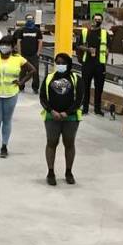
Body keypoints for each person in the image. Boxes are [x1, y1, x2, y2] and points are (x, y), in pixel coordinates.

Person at [0, 34, 35, 157]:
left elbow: (32, 70)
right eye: (2, 44)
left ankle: (4, 145)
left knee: (7, 120)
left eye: (7, 45)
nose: (4, 47)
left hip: (11, 93)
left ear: (12, 47)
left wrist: (22, 82)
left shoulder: (18, 59)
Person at [40, 52, 83, 186]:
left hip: (70, 118)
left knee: (69, 143)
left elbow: (80, 99)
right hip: (51, 117)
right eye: (57, 62)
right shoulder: (49, 78)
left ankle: (69, 172)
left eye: (63, 63)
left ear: (69, 64)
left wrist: (67, 112)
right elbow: (42, 97)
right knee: (51, 143)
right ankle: (51, 172)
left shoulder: (76, 78)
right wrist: (51, 111)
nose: (60, 65)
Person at [77, 15, 110, 115]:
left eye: (99, 20)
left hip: (100, 65)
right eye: (95, 19)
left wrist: (105, 63)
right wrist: (88, 49)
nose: (97, 21)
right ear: (92, 20)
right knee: (85, 87)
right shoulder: (85, 32)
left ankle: (97, 109)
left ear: (102, 21)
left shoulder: (105, 33)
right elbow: (78, 46)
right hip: (87, 64)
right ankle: (85, 108)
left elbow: (108, 49)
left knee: (99, 88)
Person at [17, 13, 43, 93]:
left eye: (31, 18)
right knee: (22, 72)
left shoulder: (37, 30)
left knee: (35, 72)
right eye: (28, 19)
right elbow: (18, 41)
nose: (29, 20)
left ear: (33, 19)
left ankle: (35, 88)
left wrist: (38, 53)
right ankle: (21, 87)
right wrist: (20, 53)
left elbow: (40, 42)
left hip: (34, 55)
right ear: (25, 20)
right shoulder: (21, 30)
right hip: (24, 55)